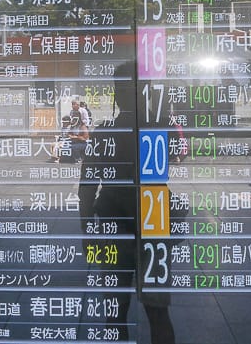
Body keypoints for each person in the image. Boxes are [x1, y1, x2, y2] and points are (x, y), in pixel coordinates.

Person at [79, 63, 176, 344]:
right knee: (158, 313)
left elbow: (86, 189)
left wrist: (87, 231)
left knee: (115, 313)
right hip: (153, 223)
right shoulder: (158, 130)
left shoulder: (103, 133)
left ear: (116, 95)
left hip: (113, 224)